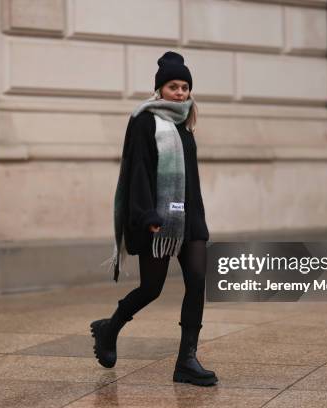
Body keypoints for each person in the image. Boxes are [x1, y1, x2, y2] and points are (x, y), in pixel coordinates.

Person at [92, 51, 217, 387]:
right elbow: (138, 172)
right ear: (160, 89)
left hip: (190, 221)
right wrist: (147, 214)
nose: (180, 93)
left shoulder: (185, 122)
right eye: (173, 86)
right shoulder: (146, 121)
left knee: (196, 282)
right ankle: (109, 327)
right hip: (158, 221)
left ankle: (186, 360)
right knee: (152, 288)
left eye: (185, 87)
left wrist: (198, 218)